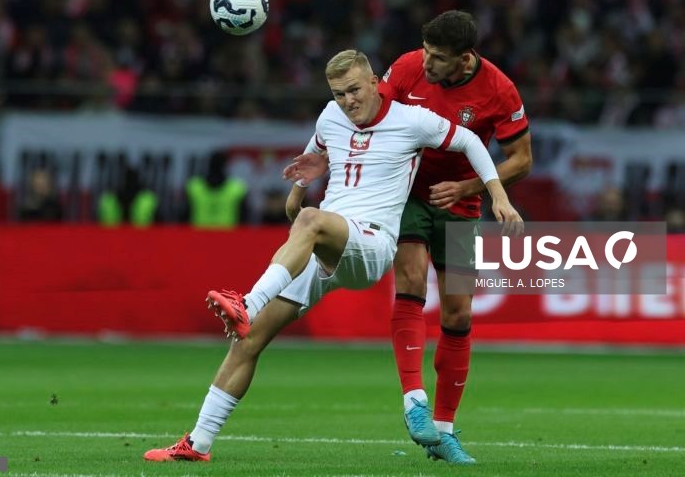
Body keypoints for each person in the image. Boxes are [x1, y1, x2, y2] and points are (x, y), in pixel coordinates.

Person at [143, 49, 523, 463]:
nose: (349, 101)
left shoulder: (411, 120)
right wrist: (297, 189)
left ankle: (248, 302)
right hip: (327, 241)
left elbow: (469, 140)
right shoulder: (331, 115)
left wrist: (496, 196)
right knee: (246, 340)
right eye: (340, 94)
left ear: (376, 82)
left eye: (355, 90)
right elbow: (317, 145)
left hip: (371, 244)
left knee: (309, 222)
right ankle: (197, 444)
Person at [284, 11, 533, 465]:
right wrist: (316, 164)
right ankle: (413, 402)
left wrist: (473, 189)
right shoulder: (404, 69)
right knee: (412, 281)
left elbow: (521, 158)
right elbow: (359, 115)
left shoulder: (499, 89)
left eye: (438, 58)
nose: (427, 62)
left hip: (461, 203)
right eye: (426, 50)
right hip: (407, 194)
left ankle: (444, 430)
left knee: (457, 313)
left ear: (464, 60)